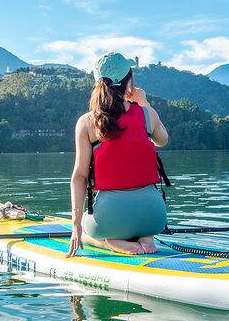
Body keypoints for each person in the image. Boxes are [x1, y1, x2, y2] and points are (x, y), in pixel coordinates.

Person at [66, 52, 169, 258]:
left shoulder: (86, 122)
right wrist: (144, 103)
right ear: (129, 81)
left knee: (85, 230)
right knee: (140, 223)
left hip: (110, 218)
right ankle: (146, 238)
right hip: (154, 217)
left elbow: (79, 177)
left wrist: (76, 224)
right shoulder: (148, 114)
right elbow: (162, 140)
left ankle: (111, 242)